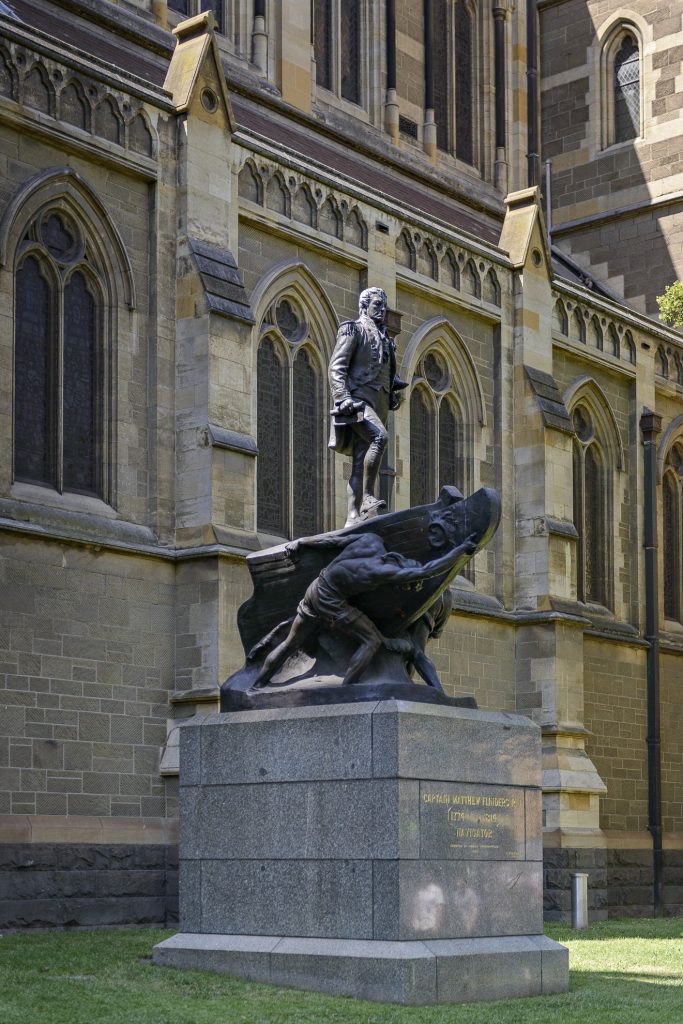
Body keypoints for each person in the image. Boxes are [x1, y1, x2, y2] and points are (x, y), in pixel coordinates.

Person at [252, 531, 477, 689]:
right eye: (407, 584)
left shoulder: (372, 540)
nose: (405, 588)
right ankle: (346, 690)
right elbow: (428, 570)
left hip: (316, 587)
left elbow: (333, 540)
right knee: (372, 641)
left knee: (290, 643)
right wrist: (461, 551)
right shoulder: (381, 572)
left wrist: (303, 543)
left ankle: (256, 686)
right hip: (330, 600)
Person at [328, 287, 407, 528]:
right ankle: (367, 499)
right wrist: (342, 397)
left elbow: (389, 373)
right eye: (376, 305)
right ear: (364, 306)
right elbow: (337, 367)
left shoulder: (386, 339)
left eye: (383, 306)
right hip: (359, 400)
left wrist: (394, 391)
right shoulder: (353, 330)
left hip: (380, 402)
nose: (382, 310)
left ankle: (353, 517)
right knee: (379, 439)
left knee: (360, 460)